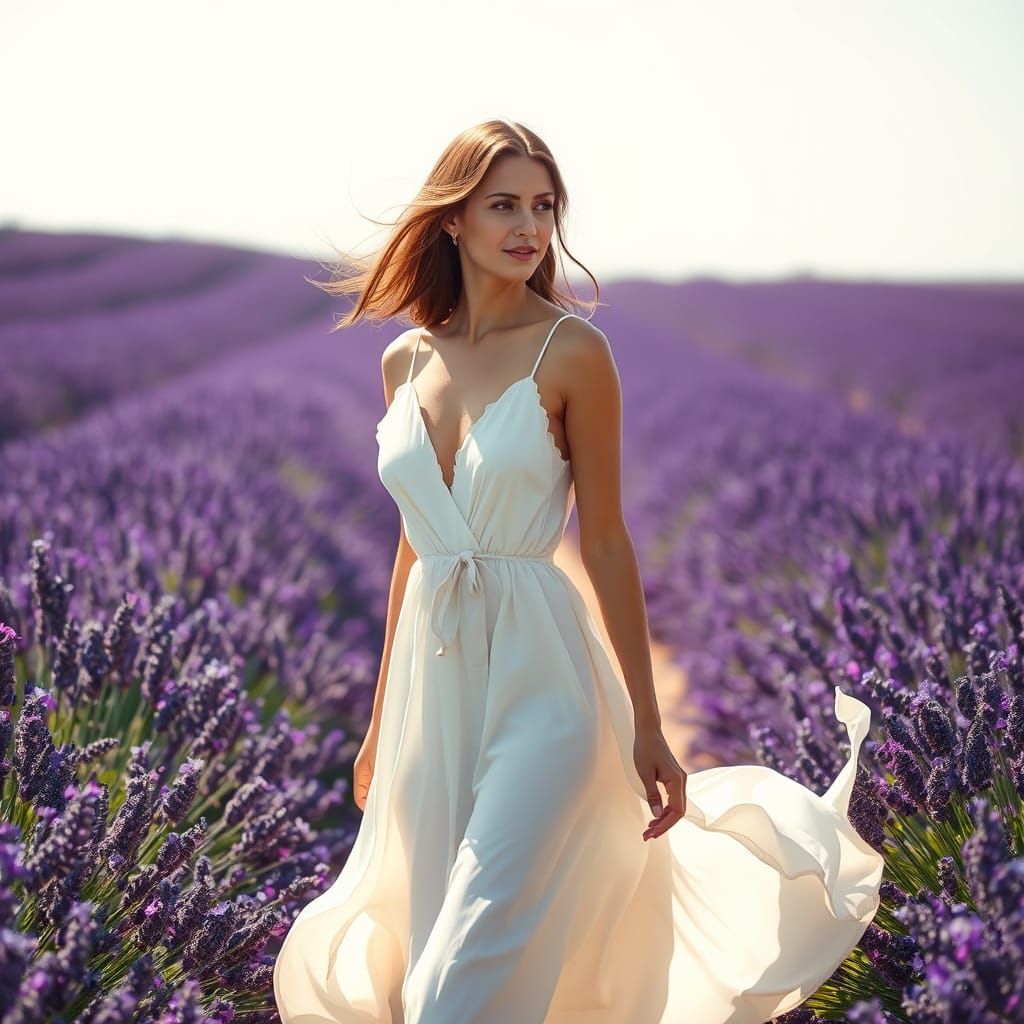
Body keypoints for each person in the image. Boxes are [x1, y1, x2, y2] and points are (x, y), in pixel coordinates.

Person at [273, 118, 884, 1024]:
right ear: (452, 219)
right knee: (440, 951)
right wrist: (376, 729)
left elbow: (605, 542)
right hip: (430, 698)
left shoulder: (575, 353)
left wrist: (646, 726)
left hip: (544, 683)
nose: (529, 226)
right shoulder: (403, 359)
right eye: (504, 204)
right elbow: (414, 547)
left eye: (545, 206)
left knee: (454, 989)